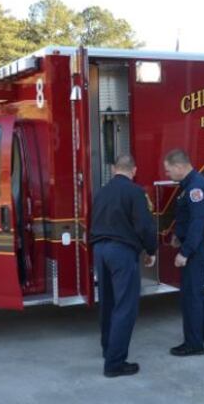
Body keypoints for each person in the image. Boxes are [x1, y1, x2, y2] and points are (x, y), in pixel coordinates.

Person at [89, 154, 157, 377]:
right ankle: (115, 364)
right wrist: (151, 250)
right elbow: (144, 226)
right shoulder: (135, 192)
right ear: (133, 170)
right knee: (125, 306)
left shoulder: (101, 192)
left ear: (114, 169)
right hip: (121, 252)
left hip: (100, 250)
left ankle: (108, 350)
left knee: (107, 303)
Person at [163, 148, 204, 356]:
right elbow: (189, 219)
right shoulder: (189, 185)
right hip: (197, 246)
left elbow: (198, 224)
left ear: (179, 167)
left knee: (191, 296)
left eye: (169, 170)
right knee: (197, 293)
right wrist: (178, 235)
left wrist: (185, 253)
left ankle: (194, 345)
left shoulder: (196, 188)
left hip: (197, 249)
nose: (167, 175)